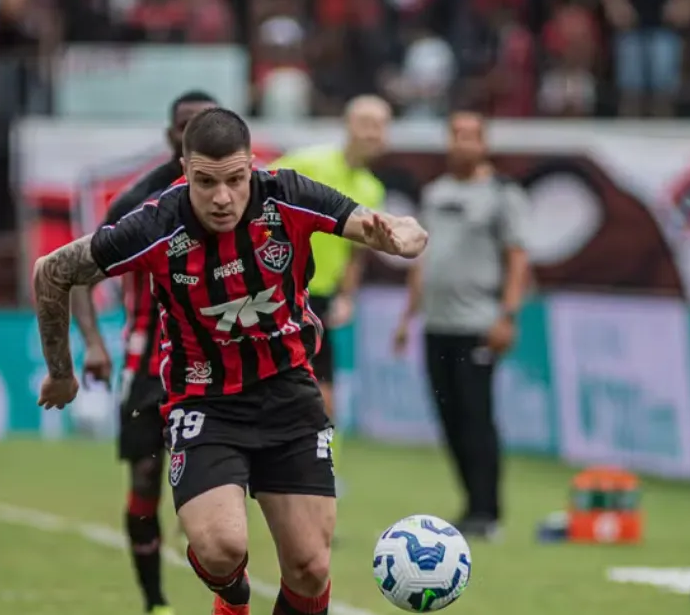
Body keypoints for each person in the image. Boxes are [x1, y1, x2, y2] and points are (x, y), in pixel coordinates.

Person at [32, 108, 428, 615]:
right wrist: (61, 371)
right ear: (184, 169)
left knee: (309, 569)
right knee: (222, 549)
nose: (222, 198)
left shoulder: (287, 193)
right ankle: (233, 601)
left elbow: (370, 225)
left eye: (235, 180)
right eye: (206, 182)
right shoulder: (156, 222)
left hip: (289, 393)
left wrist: (403, 233)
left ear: (251, 167)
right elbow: (52, 272)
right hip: (205, 400)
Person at [70, 89, 218, 615]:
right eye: (186, 125)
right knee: (144, 480)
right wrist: (90, 343)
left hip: (223, 369)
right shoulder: (139, 202)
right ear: (171, 137)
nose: (195, 132)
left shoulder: (244, 196)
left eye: (206, 124)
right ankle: (155, 601)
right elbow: (76, 274)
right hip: (150, 366)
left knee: (218, 488)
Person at [393, 111, 530, 539]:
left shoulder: (502, 194)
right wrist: (407, 316)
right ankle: (470, 504)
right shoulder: (435, 193)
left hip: (477, 322)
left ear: (484, 143)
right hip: (437, 323)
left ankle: (488, 512)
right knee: (448, 417)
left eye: (471, 136)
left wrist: (507, 315)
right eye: (456, 135)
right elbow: (421, 260)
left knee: (477, 416)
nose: (462, 144)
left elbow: (517, 258)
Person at [268, 94, 390, 458]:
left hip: (318, 299)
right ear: (347, 125)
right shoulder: (309, 162)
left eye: (380, 126)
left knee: (324, 390)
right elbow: (259, 191)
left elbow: (357, 254)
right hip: (278, 292)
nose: (372, 133)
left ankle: (318, 462)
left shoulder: (372, 188)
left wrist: (347, 296)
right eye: (365, 123)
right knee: (272, 382)